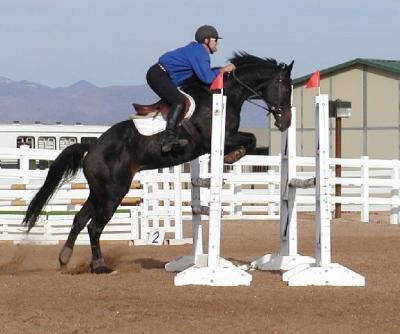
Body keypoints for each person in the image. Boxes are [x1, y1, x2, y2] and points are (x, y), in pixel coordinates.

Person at [146, 25, 236, 153]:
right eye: (215, 40)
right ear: (206, 40)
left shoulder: (196, 50)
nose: (217, 43)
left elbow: (205, 74)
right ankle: (168, 138)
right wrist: (223, 69)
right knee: (179, 101)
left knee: (178, 100)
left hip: (159, 74)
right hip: (158, 74)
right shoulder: (201, 52)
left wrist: (219, 70)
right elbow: (207, 78)